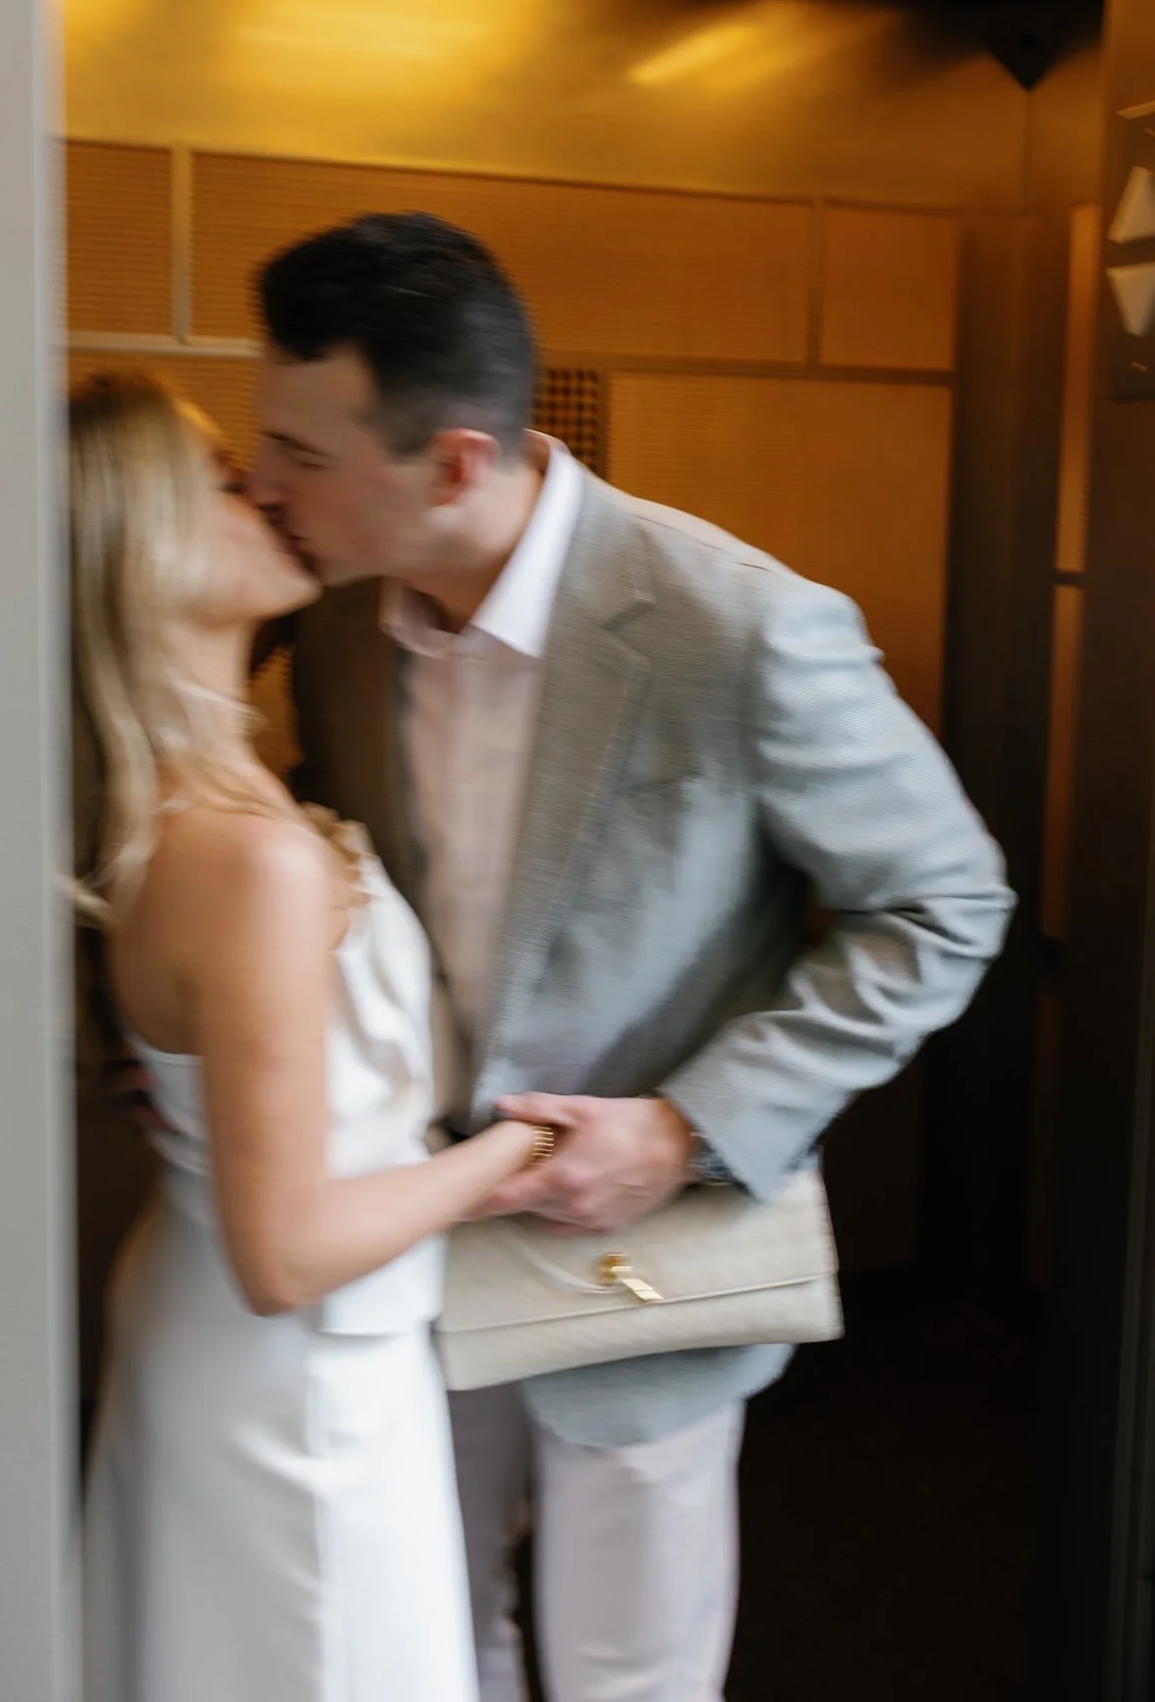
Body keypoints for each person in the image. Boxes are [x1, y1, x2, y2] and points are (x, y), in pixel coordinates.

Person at [246, 211, 1016, 1702]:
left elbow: (943, 905)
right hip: (402, 1251)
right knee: (426, 1642)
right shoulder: (334, 626)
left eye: (301, 453)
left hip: (642, 1263)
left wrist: (688, 1129)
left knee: (628, 1677)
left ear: (453, 464)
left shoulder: (739, 626)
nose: (264, 486)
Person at [70, 371, 556, 1702]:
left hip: (244, 1342)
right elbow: (283, 1253)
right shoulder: (245, 858)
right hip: (298, 1381)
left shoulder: (208, 800)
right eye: (227, 481)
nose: (272, 493)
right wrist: (517, 1155)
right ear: (139, 547)